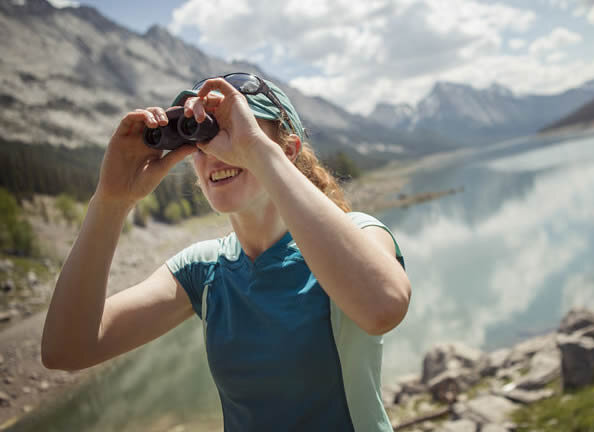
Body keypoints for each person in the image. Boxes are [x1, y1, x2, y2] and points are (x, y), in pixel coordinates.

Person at [41, 73, 411, 431]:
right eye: (200, 141)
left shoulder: (357, 234)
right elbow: (67, 349)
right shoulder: (203, 269)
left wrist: (258, 153)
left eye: (231, 132)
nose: (214, 153)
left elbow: (384, 306)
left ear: (286, 151)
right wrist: (110, 201)